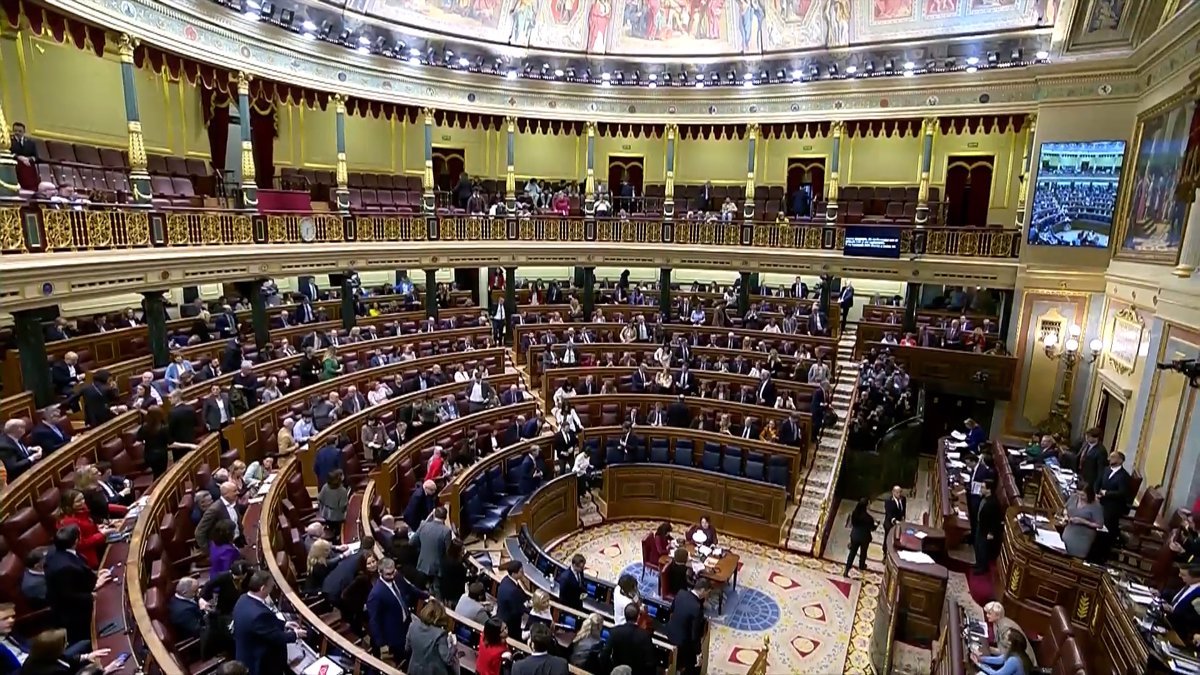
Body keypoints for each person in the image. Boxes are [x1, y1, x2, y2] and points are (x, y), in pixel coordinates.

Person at [45, 525, 109, 645]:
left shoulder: (56, 550)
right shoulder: (65, 567)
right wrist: (92, 594)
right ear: (76, 541)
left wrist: (95, 574)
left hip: (75, 600)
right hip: (74, 614)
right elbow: (67, 595)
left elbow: (80, 571)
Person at [232, 571, 306, 675]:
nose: (272, 589)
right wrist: (296, 634)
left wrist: (284, 624)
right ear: (262, 588)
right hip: (259, 663)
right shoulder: (258, 614)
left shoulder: (243, 599)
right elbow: (276, 637)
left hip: (246, 652)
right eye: (271, 586)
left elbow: (263, 625)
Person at [367, 558, 418, 662]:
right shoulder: (376, 594)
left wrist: (426, 596)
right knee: (403, 658)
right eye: (388, 574)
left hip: (407, 623)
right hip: (394, 634)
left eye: (393, 572)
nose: (392, 576)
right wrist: (381, 644)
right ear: (380, 572)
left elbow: (409, 587)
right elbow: (374, 621)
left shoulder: (396, 576)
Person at [665, 578, 711, 675]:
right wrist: (699, 653)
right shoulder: (697, 608)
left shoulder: (681, 593)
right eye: (707, 592)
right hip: (681, 642)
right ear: (702, 590)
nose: (708, 595)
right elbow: (694, 635)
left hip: (669, 632)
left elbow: (671, 610)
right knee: (694, 662)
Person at [55, 489, 111, 569]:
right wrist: (102, 534)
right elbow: (80, 544)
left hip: (98, 545)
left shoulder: (82, 510)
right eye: (78, 501)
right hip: (87, 556)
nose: (83, 502)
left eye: (82, 498)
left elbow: (87, 526)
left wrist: (98, 527)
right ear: (69, 504)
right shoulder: (68, 522)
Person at [407, 598, 457, 675]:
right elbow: (447, 659)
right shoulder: (440, 634)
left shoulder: (413, 625)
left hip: (414, 669)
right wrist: (453, 646)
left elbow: (407, 648)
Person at [603, 604, 657, 675]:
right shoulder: (645, 636)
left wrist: (609, 670)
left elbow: (605, 654)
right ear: (638, 617)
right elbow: (650, 663)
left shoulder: (615, 631)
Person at [1096, 451, 1131, 555]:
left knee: (1105, 519)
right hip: (1101, 499)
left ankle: (1104, 547)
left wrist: (1106, 493)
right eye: (1110, 457)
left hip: (1114, 504)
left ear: (1120, 460)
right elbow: (1098, 482)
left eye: (1113, 457)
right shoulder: (1106, 470)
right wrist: (1095, 493)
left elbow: (1122, 493)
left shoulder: (1124, 476)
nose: (1109, 459)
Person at [414, 506, 453, 592]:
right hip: (437, 568)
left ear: (434, 515)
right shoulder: (446, 531)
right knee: (437, 590)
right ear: (445, 517)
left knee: (421, 589)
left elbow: (412, 542)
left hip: (422, 564)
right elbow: (448, 551)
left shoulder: (423, 525)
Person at [1062, 484, 1104, 559]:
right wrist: (1065, 515)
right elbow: (1065, 508)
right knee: (1063, 553)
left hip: (1083, 536)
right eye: (1078, 494)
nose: (1080, 497)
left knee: (1075, 559)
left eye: (1083, 495)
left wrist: (1083, 521)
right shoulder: (1074, 497)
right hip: (1069, 530)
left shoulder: (1096, 506)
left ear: (1089, 494)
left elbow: (1099, 525)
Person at [974, 480, 1003, 574]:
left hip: (986, 530)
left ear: (989, 490)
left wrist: (991, 532)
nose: (981, 489)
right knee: (978, 546)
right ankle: (978, 563)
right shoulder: (985, 498)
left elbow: (995, 520)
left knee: (983, 549)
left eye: (983, 487)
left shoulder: (993, 503)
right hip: (980, 525)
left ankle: (983, 568)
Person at [497, 560, 530, 638]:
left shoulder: (505, 579)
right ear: (514, 573)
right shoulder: (513, 591)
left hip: (502, 613)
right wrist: (530, 611)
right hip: (510, 622)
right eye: (521, 572)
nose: (523, 573)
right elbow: (517, 610)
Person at [844, 497, 876, 577]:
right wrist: (876, 525)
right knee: (863, 553)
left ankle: (847, 569)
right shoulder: (869, 518)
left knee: (852, 553)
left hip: (855, 535)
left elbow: (853, 523)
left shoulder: (854, 513)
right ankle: (861, 566)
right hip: (864, 537)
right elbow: (872, 528)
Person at [318, 469, 350, 544]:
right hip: (338, 517)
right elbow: (343, 505)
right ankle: (337, 541)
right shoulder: (342, 491)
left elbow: (320, 499)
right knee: (339, 530)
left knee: (331, 528)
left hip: (326, 514)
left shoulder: (325, 487)